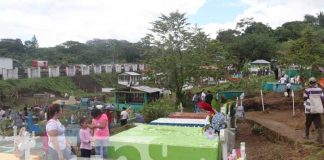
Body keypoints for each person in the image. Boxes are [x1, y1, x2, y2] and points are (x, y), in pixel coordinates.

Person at [303, 77, 324, 143]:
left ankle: (307, 136)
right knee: (318, 124)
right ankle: (320, 139)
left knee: (308, 123)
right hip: (317, 109)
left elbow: (304, 98)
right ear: (316, 82)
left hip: (309, 110)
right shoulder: (320, 90)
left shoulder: (307, 90)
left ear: (309, 83)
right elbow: (323, 99)